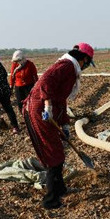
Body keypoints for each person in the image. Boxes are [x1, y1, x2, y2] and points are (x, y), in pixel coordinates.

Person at [23, 43, 95, 209]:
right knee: (53, 154)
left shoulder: (70, 67)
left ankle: (60, 189)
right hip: (40, 111)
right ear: (84, 59)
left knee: (57, 152)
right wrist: (47, 105)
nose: (85, 67)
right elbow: (47, 81)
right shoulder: (67, 65)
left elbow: (61, 100)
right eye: (87, 63)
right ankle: (51, 200)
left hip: (47, 111)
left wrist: (64, 125)